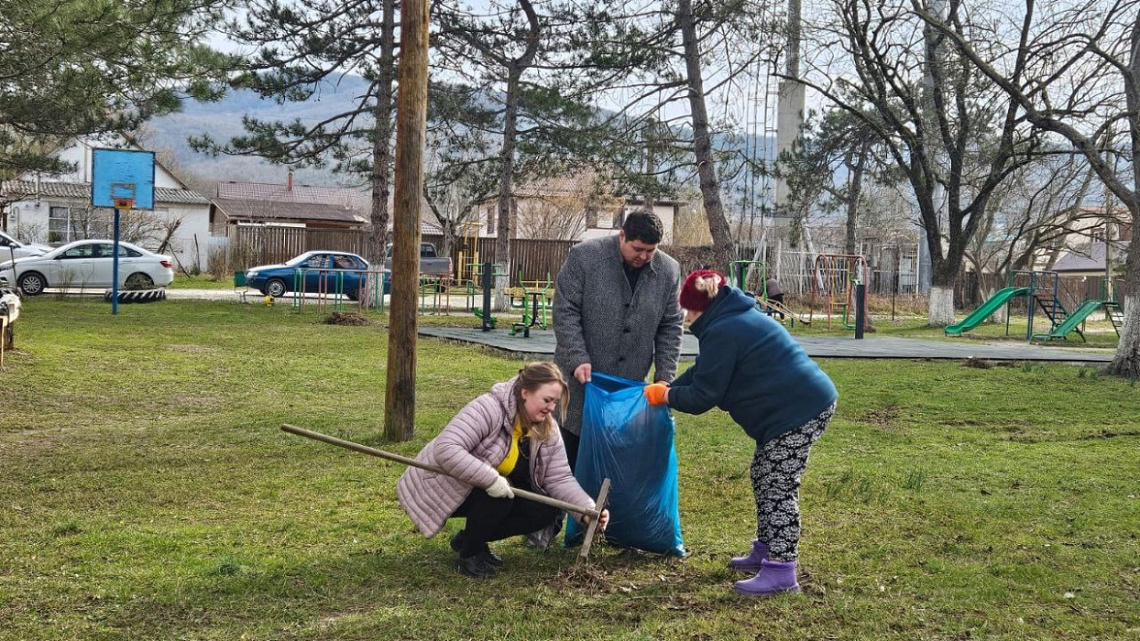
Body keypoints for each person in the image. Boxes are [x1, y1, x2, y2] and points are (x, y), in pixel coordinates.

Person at [644, 270, 837, 597]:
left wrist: (666, 396)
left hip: (798, 410)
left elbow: (705, 395)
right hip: (791, 408)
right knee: (764, 474)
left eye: (689, 310)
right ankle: (767, 549)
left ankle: (781, 571)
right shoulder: (732, 319)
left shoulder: (725, 330)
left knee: (777, 484)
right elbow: (705, 370)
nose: (687, 318)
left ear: (700, 307)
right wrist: (673, 385)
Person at [396, 362, 609, 578]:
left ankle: (470, 539)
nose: (551, 408)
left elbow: (559, 478)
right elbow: (446, 449)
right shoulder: (489, 408)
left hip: (486, 491)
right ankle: (470, 553)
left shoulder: (546, 427)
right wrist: (490, 479)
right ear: (525, 393)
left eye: (555, 402)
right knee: (500, 496)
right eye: (547, 400)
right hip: (444, 486)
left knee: (544, 510)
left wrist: (586, 511)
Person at [553, 210, 684, 470]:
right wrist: (577, 357)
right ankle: (562, 511)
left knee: (616, 466)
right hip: (581, 384)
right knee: (567, 462)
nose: (644, 256)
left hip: (630, 388)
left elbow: (671, 325)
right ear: (621, 235)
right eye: (637, 249)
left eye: (651, 250)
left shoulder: (669, 270)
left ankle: (608, 510)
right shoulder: (584, 257)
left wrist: (665, 376)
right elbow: (564, 310)